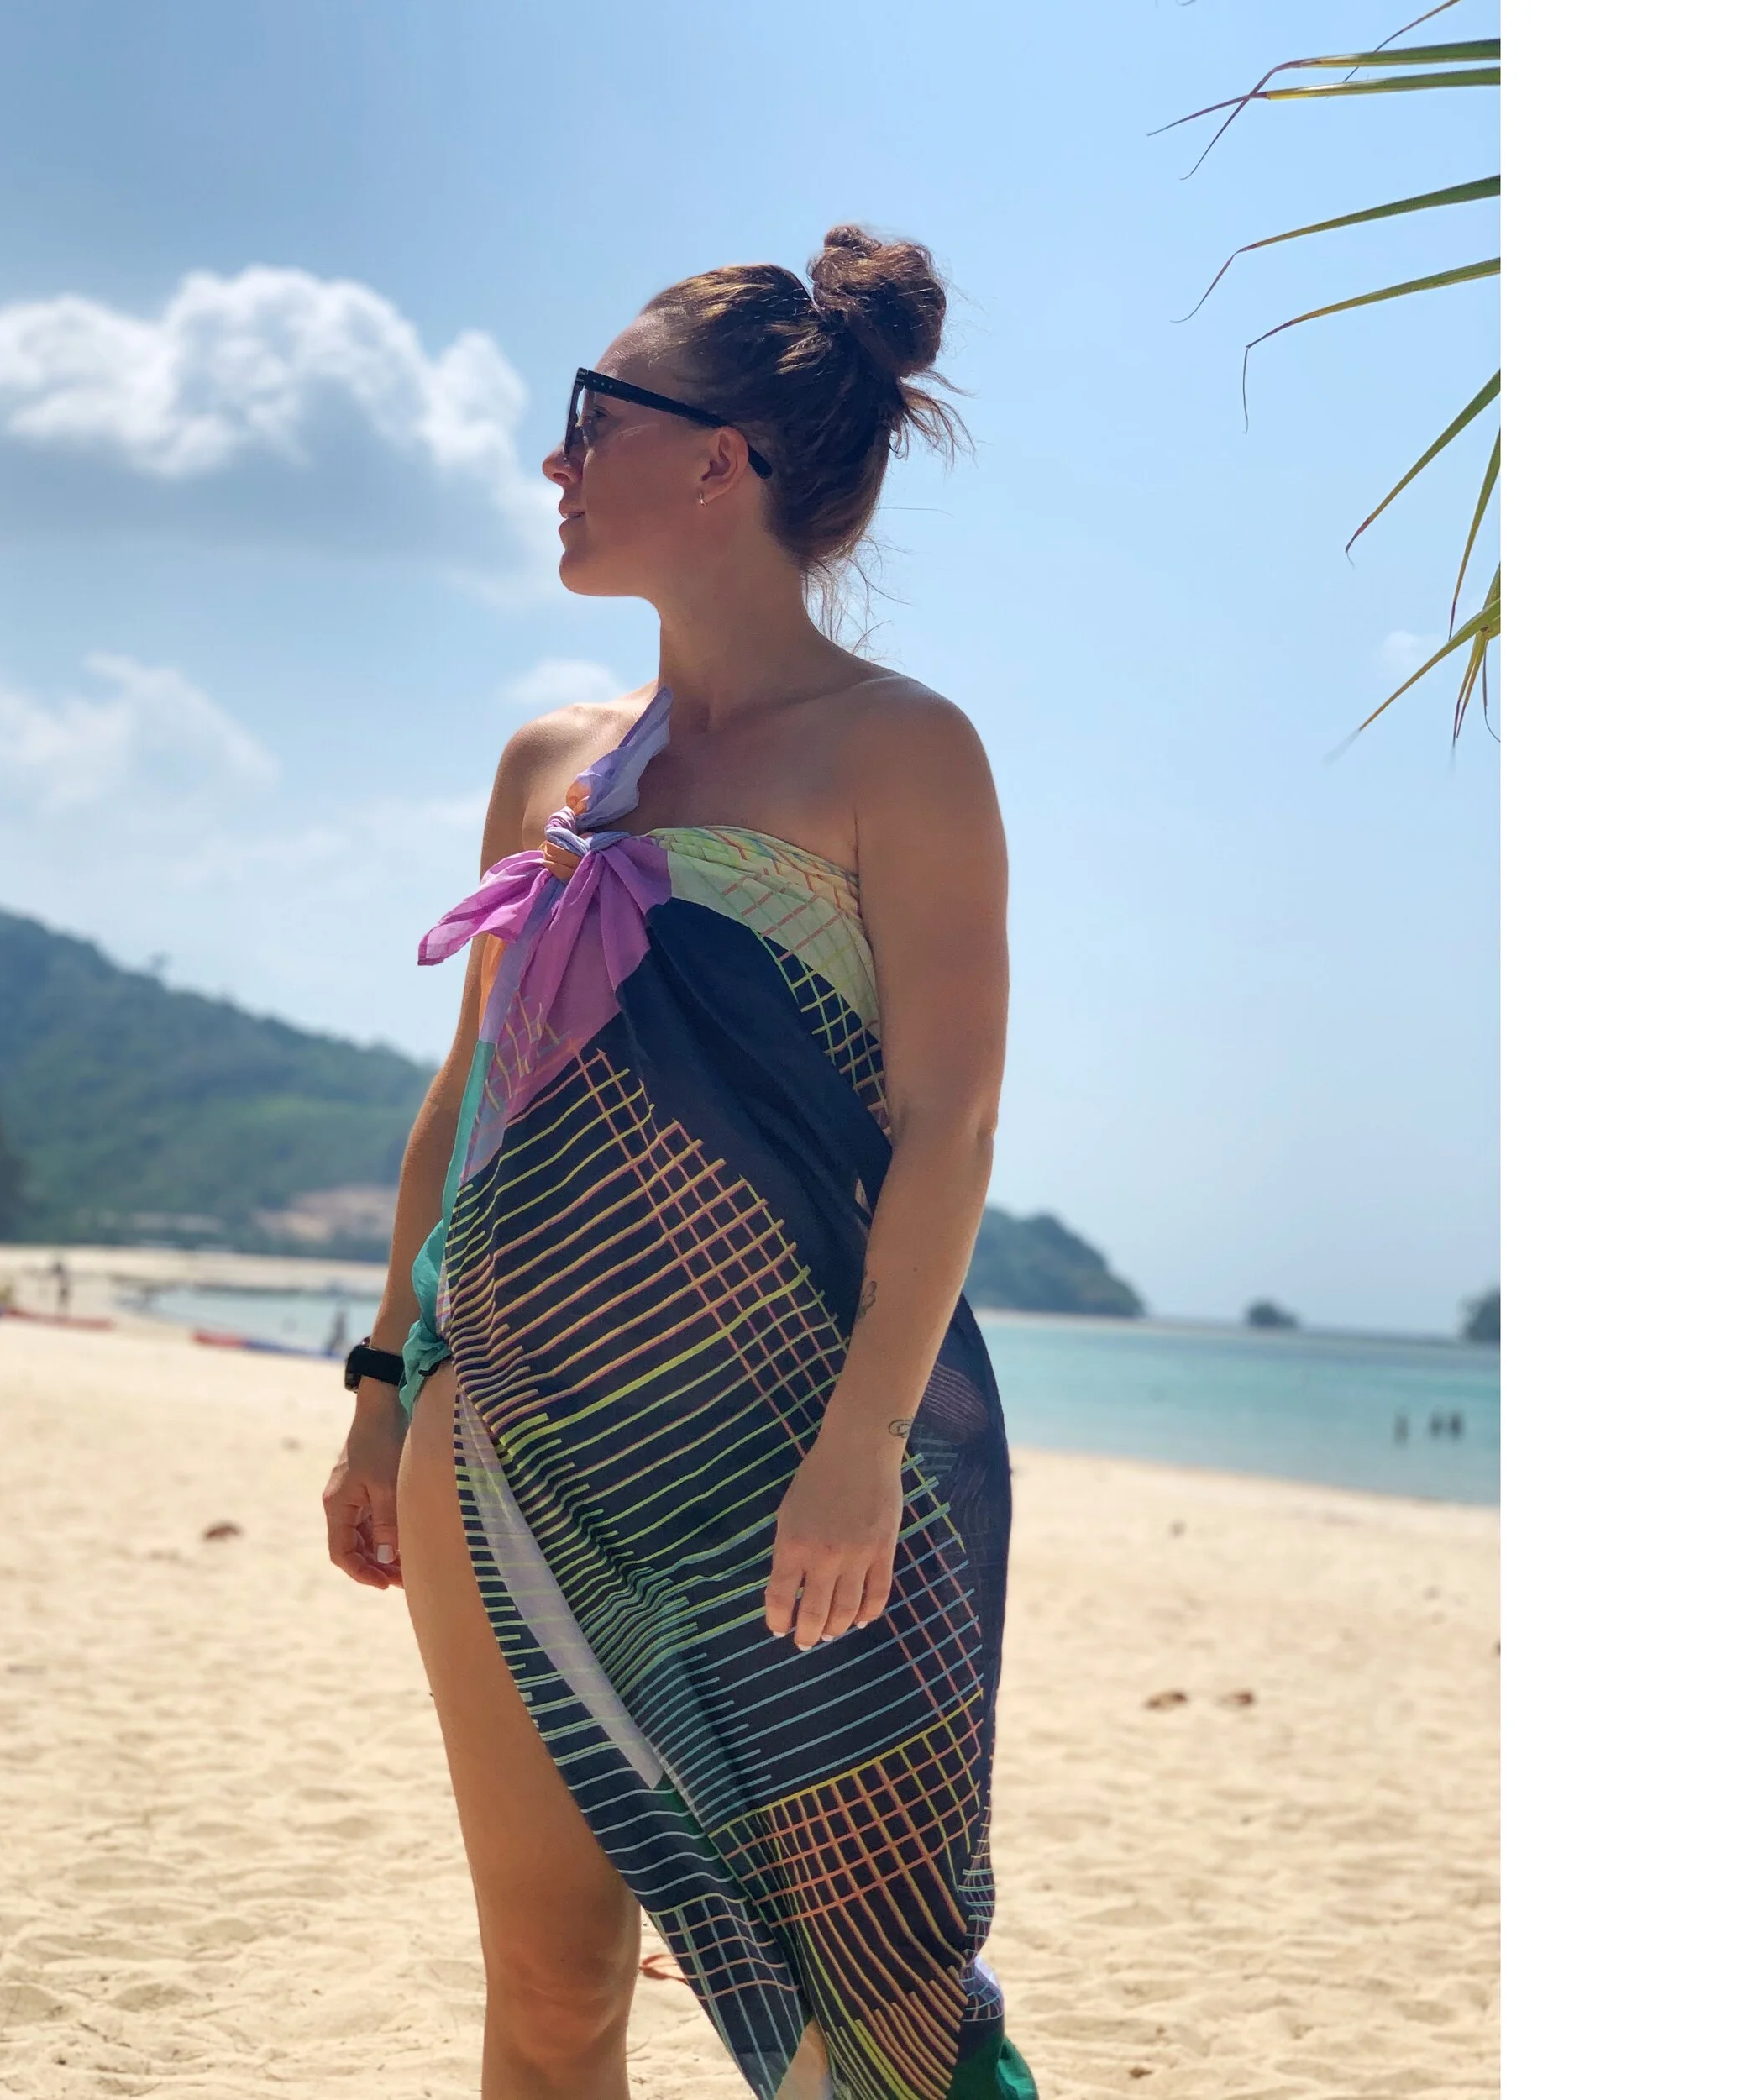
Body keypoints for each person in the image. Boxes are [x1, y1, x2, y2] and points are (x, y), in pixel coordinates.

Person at [323, 225, 1031, 2100]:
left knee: (877, 2006)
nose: (552, 461)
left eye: (588, 416)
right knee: (550, 1986)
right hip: (510, 1424)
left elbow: (948, 1119)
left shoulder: (900, 753)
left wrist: (863, 1442)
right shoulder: (553, 760)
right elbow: (470, 1088)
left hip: (796, 1452)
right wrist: (385, 1375)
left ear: (714, 457)